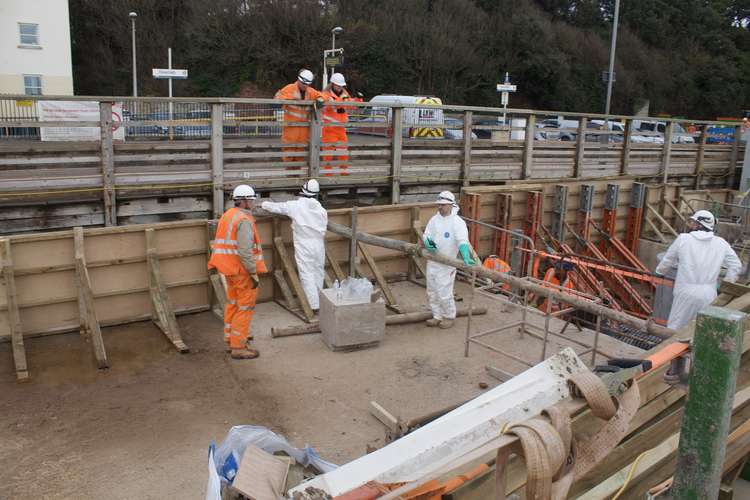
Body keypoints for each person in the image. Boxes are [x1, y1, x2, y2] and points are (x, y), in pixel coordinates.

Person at [655, 210, 742, 330]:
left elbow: (667, 260)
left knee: (675, 327)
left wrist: (659, 272)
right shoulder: (721, 243)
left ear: (699, 224)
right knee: (701, 329)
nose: (691, 225)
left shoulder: (684, 239)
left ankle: (669, 348)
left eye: (693, 223)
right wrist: (726, 284)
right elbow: (736, 265)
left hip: (685, 291)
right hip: (709, 294)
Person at [208, 185, 267, 359]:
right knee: (245, 307)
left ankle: (230, 339)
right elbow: (245, 250)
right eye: (252, 200)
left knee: (233, 303)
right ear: (245, 201)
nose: (253, 203)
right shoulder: (244, 220)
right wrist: (253, 272)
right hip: (242, 271)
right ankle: (239, 347)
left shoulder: (228, 215)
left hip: (229, 268)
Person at [261, 179, 328, 311]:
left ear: (302, 192)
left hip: (304, 243)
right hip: (319, 244)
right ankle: (320, 302)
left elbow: (277, 207)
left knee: (307, 273)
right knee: (318, 271)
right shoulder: (322, 210)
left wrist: (263, 203)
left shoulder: (296, 206)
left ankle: (313, 305)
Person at [422, 191, 476, 329]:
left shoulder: (457, 222)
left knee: (444, 292)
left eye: (443, 205)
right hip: (433, 261)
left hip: (447, 264)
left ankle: (449, 316)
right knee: (432, 290)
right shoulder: (434, 219)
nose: (440, 207)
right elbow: (427, 234)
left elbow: (462, 241)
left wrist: (465, 255)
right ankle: (437, 315)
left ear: (451, 205)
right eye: (439, 205)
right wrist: (428, 243)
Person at [274, 69, 326, 166]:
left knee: (300, 157)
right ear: (299, 80)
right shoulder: (289, 89)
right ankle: (290, 178)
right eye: (303, 83)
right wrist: (289, 99)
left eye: (307, 84)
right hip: (290, 130)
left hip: (304, 131)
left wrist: (320, 99)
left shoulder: (310, 92)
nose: (304, 86)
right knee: (288, 156)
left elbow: (322, 95)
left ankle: (297, 178)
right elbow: (277, 99)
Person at [321, 73, 352, 176]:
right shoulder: (326, 94)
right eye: (338, 85)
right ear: (332, 84)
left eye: (341, 85)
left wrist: (357, 101)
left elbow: (351, 105)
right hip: (329, 128)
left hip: (341, 128)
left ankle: (344, 171)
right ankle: (328, 173)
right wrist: (342, 102)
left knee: (343, 151)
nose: (340, 87)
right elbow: (331, 104)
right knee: (328, 152)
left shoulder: (345, 93)